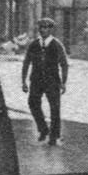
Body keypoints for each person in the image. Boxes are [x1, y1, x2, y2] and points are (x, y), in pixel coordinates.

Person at [21, 18, 69, 146]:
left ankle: (54, 135)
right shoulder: (33, 44)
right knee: (33, 103)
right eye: (41, 28)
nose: (43, 30)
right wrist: (24, 81)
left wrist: (63, 82)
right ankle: (43, 129)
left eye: (46, 28)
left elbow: (64, 64)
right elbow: (26, 62)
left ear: (51, 30)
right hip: (36, 80)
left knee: (54, 108)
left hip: (52, 81)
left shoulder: (57, 45)